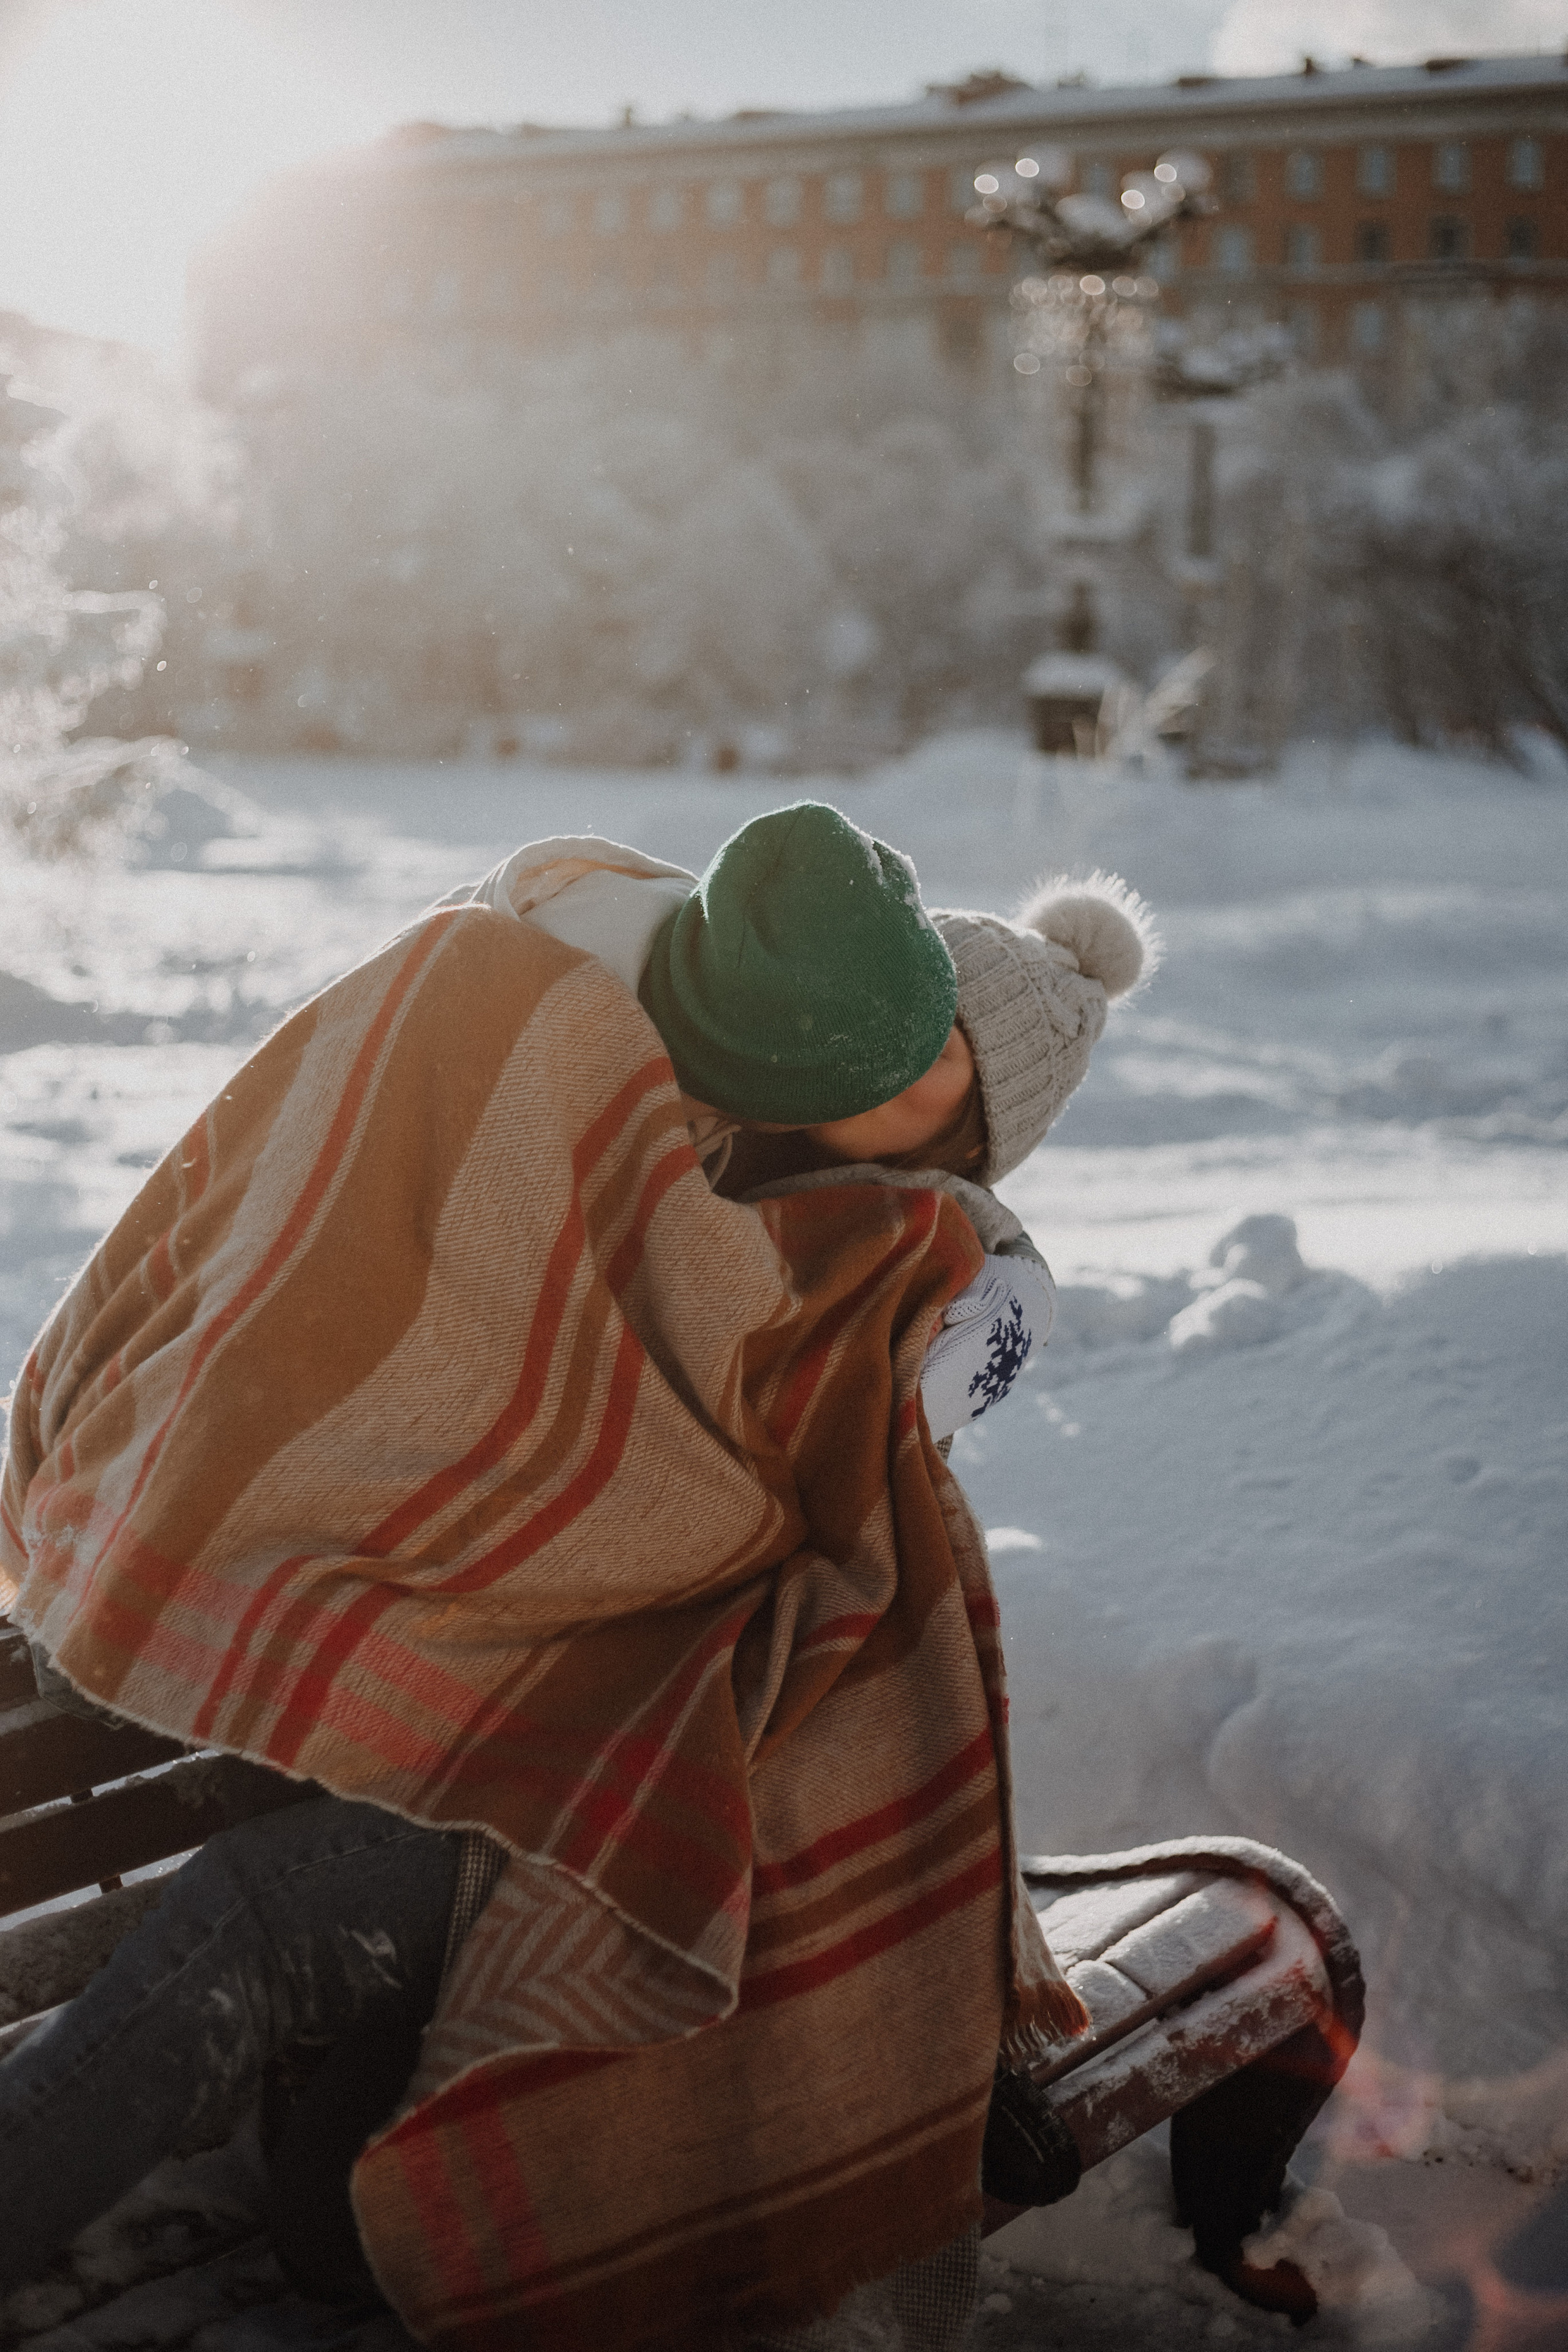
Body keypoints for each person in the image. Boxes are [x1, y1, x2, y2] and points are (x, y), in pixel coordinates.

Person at [0, 802, 1154, 2339]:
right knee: (336, 2217)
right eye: (913, 1026)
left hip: (675, 1758)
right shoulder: (683, 1104)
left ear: (975, 1128)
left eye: (941, 1074)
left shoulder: (945, 1279)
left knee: (258, 1925)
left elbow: (774, 1507)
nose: (901, 1068)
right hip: (471, 1720)